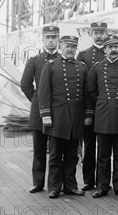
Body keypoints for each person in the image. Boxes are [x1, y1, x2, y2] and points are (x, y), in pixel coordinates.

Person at [38, 35, 94, 198]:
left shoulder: (82, 67)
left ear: (76, 48)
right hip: (57, 117)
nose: (70, 49)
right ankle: (54, 187)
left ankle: (70, 185)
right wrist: (45, 114)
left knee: (72, 155)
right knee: (55, 155)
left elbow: (87, 94)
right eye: (67, 46)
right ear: (61, 46)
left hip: (76, 117)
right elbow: (43, 92)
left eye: (73, 46)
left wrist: (88, 114)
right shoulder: (51, 66)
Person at [88, 35, 118, 198]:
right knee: (102, 155)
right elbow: (92, 91)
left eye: (116, 46)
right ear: (105, 50)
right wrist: (105, 103)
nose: (114, 50)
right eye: (110, 47)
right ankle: (102, 186)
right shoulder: (96, 68)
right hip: (103, 116)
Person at [21, 25, 61, 194]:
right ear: (43, 39)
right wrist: (36, 101)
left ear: (58, 39)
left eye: (54, 37)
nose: (51, 40)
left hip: (58, 110)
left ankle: (53, 186)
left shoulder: (63, 60)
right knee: (39, 149)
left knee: (55, 151)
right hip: (39, 112)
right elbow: (25, 85)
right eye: (48, 37)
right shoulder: (35, 61)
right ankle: (38, 183)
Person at [77, 21, 107, 191]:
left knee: (104, 148)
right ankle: (89, 180)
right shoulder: (84, 55)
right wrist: (87, 111)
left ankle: (103, 181)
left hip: (107, 109)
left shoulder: (112, 53)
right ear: (91, 34)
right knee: (89, 147)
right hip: (90, 108)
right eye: (96, 32)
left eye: (102, 32)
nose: (99, 35)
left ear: (106, 33)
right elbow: (81, 86)